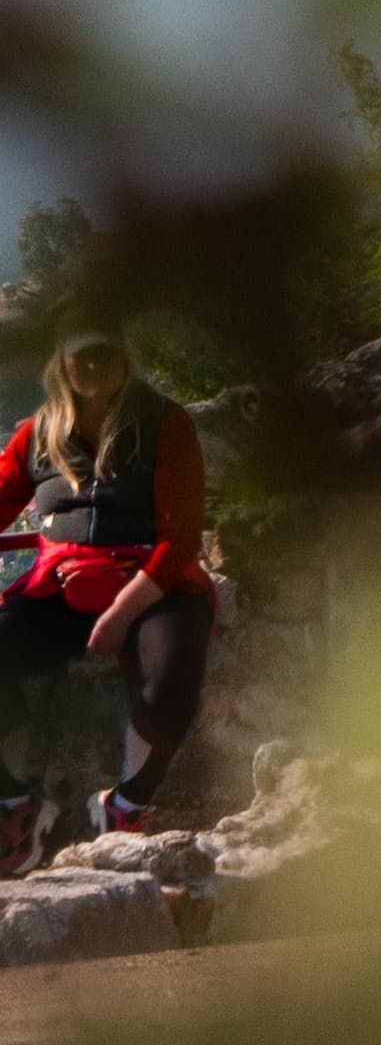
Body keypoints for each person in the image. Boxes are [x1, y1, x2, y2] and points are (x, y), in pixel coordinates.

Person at [0, 330, 218, 859]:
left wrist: (122, 613)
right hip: (64, 582)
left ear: (126, 359)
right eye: (82, 356)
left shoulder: (165, 424)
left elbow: (181, 539)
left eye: (106, 355)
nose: (94, 366)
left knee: (169, 687)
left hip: (155, 583)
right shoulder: (38, 433)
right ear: (61, 362)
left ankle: (125, 804)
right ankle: (14, 804)